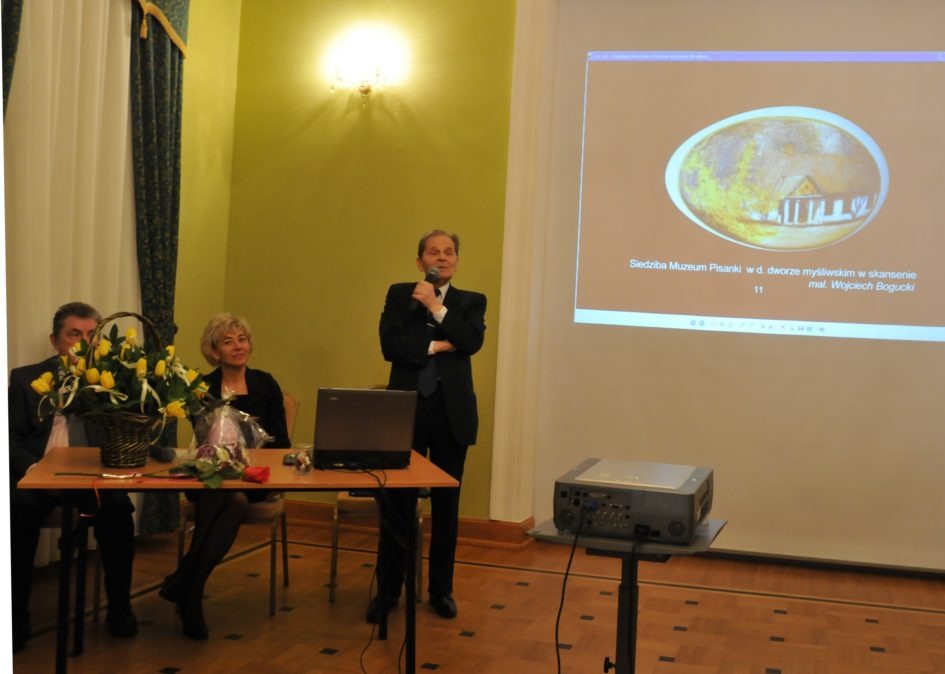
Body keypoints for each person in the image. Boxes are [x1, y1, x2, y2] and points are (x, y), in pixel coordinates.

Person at [8, 302, 138, 653]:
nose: (83, 342)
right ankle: (15, 617)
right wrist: (36, 470)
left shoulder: (114, 380)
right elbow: (10, 438)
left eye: (91, 335)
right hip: (38, 475)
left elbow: (122, 435)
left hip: (92, 477)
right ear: (56, 340)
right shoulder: (25, 379)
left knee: (118, 511)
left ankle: (120, 609)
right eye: (74, 334)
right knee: (16, 511)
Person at [371, 229, 487, 621]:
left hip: (452, 416)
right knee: (397, 506)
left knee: (446, 508)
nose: (442, 257)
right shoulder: (400, 294)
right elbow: (390, 346)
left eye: (449, 252)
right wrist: (436, 346)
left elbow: (471, 342)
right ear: (419, 261)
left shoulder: (471, 301)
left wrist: (437, 308)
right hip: (406, 413)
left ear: (457, 261)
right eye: (433, 252)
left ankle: (441, 590)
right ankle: (388, 592)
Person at [159, 313, 290, 639]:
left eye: (242, 339)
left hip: (254, 477)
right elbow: (202, 439)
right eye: (228, 342)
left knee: (235, 497)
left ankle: (186, 584)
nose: (238, 346)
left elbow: (281, 442)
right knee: (230, 498)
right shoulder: (201, 387)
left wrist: (249, 459)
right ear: (214, 351)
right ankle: (190, 589)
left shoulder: (266, 383)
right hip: (211, 474)